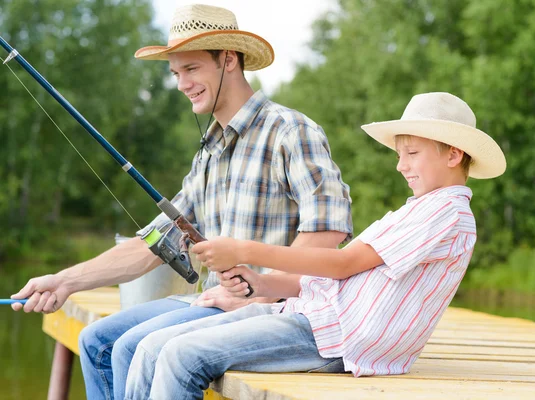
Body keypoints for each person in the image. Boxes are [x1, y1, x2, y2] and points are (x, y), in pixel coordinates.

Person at [10, 4, 352, 400]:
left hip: (274, 311)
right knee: (95, 341)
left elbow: (328, 230)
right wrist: (64, 281)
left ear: (228, 60)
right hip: (212, 300)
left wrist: (264, 289)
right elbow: (154, 244)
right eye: (175, 73)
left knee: (125, 349)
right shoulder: (208, 152)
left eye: (190, 69)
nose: (180, 83)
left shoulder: (290, 130)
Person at [122, 91, 507, 399]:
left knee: (180, 356)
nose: (400, 165)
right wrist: (261, 284)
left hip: (338, 339)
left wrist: (242, 249)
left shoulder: (447, 213)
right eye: (400, 154)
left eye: (412, 154)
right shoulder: (417, 210)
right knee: (152, 346)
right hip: (314, 317)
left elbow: (342, 264)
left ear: (454, 154)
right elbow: (341, 278)